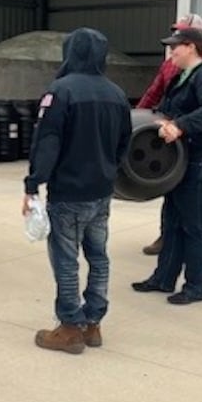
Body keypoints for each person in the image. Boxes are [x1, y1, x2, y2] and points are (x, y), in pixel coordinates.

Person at [23, 28, 132, 354]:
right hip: (101, 193)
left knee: (66, 260)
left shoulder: (60, 91)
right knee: (99, 257)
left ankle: (70, 326)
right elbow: (124, 143)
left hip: (68, 193)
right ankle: (94, 322)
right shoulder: (117, 94)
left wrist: (32, 185)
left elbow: (47, 142)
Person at [132, 26, 202, 305]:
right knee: (173, 222)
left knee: (195, 225)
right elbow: (165, 108)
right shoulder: (181, 77)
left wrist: (180, 125)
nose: (171, 52)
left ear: (190, 46)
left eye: (175, 46)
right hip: (182, 160)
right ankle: (163, 278)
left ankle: (196, 287)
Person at [136, 13, 202, 256]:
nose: (173, 45)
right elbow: (155, 93)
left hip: (194, 143)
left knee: (194, 213)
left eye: (179, 37)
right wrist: (136, 118)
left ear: (193, 41)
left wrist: (181, 124)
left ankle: (192, 262)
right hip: (173, 142)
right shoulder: (171, 65)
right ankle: (167, 240)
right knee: (172, 199)